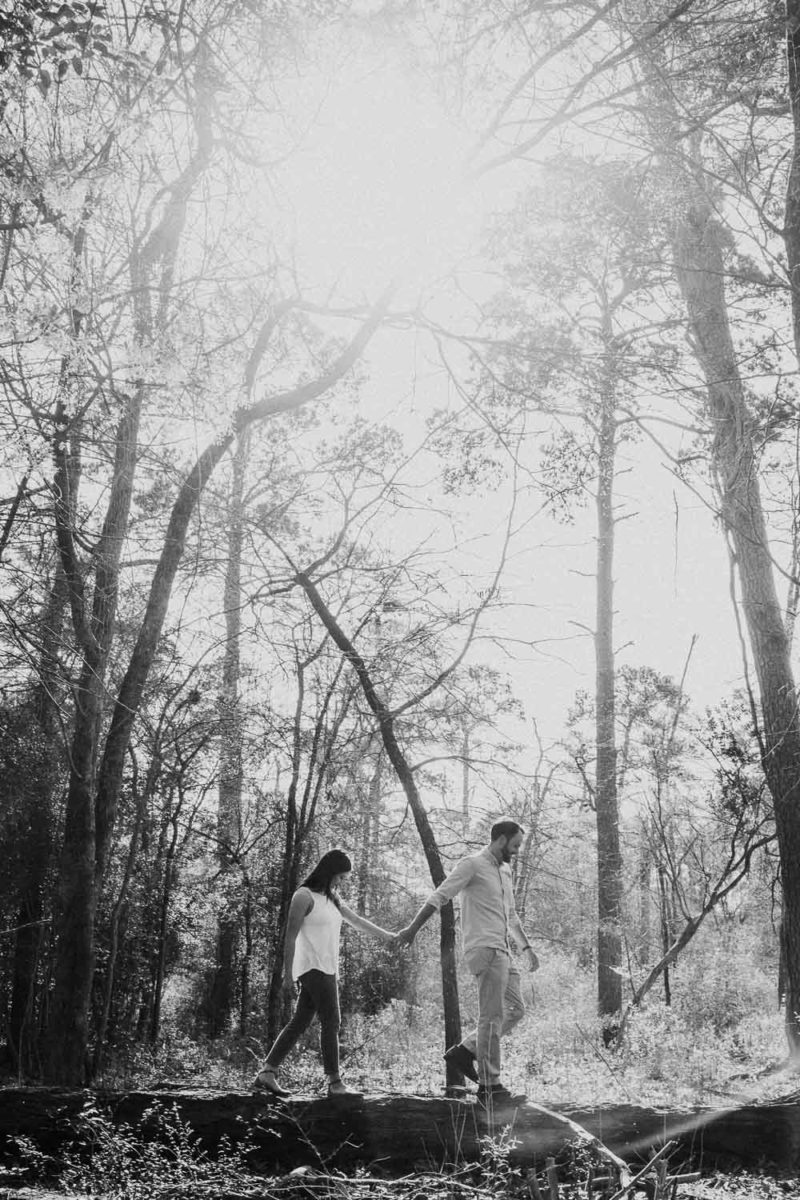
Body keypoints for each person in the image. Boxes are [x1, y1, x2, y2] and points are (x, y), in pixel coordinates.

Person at [396, 818, 538, 1105]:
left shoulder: (505, 872)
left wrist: (527, 948)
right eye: (515, 845)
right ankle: (490, 1085)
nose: (517, 850)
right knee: (492, 1016)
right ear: (500, 839)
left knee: (516, 1009)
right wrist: (412, 928)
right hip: (484, 949)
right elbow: (441, 895)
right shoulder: (472, 864)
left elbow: (511, 916)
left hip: (503, 950)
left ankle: (465, 1051)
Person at [254, 848, 394, 1099]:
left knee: (300, 1021)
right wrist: (288, 974)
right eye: (340, 877)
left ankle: (267, 1072)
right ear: (329, 872)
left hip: (328, 967)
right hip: (312, 966)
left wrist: (389, 937)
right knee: (332, 1020)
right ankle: (335, 1082)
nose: (342, 882)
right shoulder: (303, 896)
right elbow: (290, 937)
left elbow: (357, 921)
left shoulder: (332, 898)